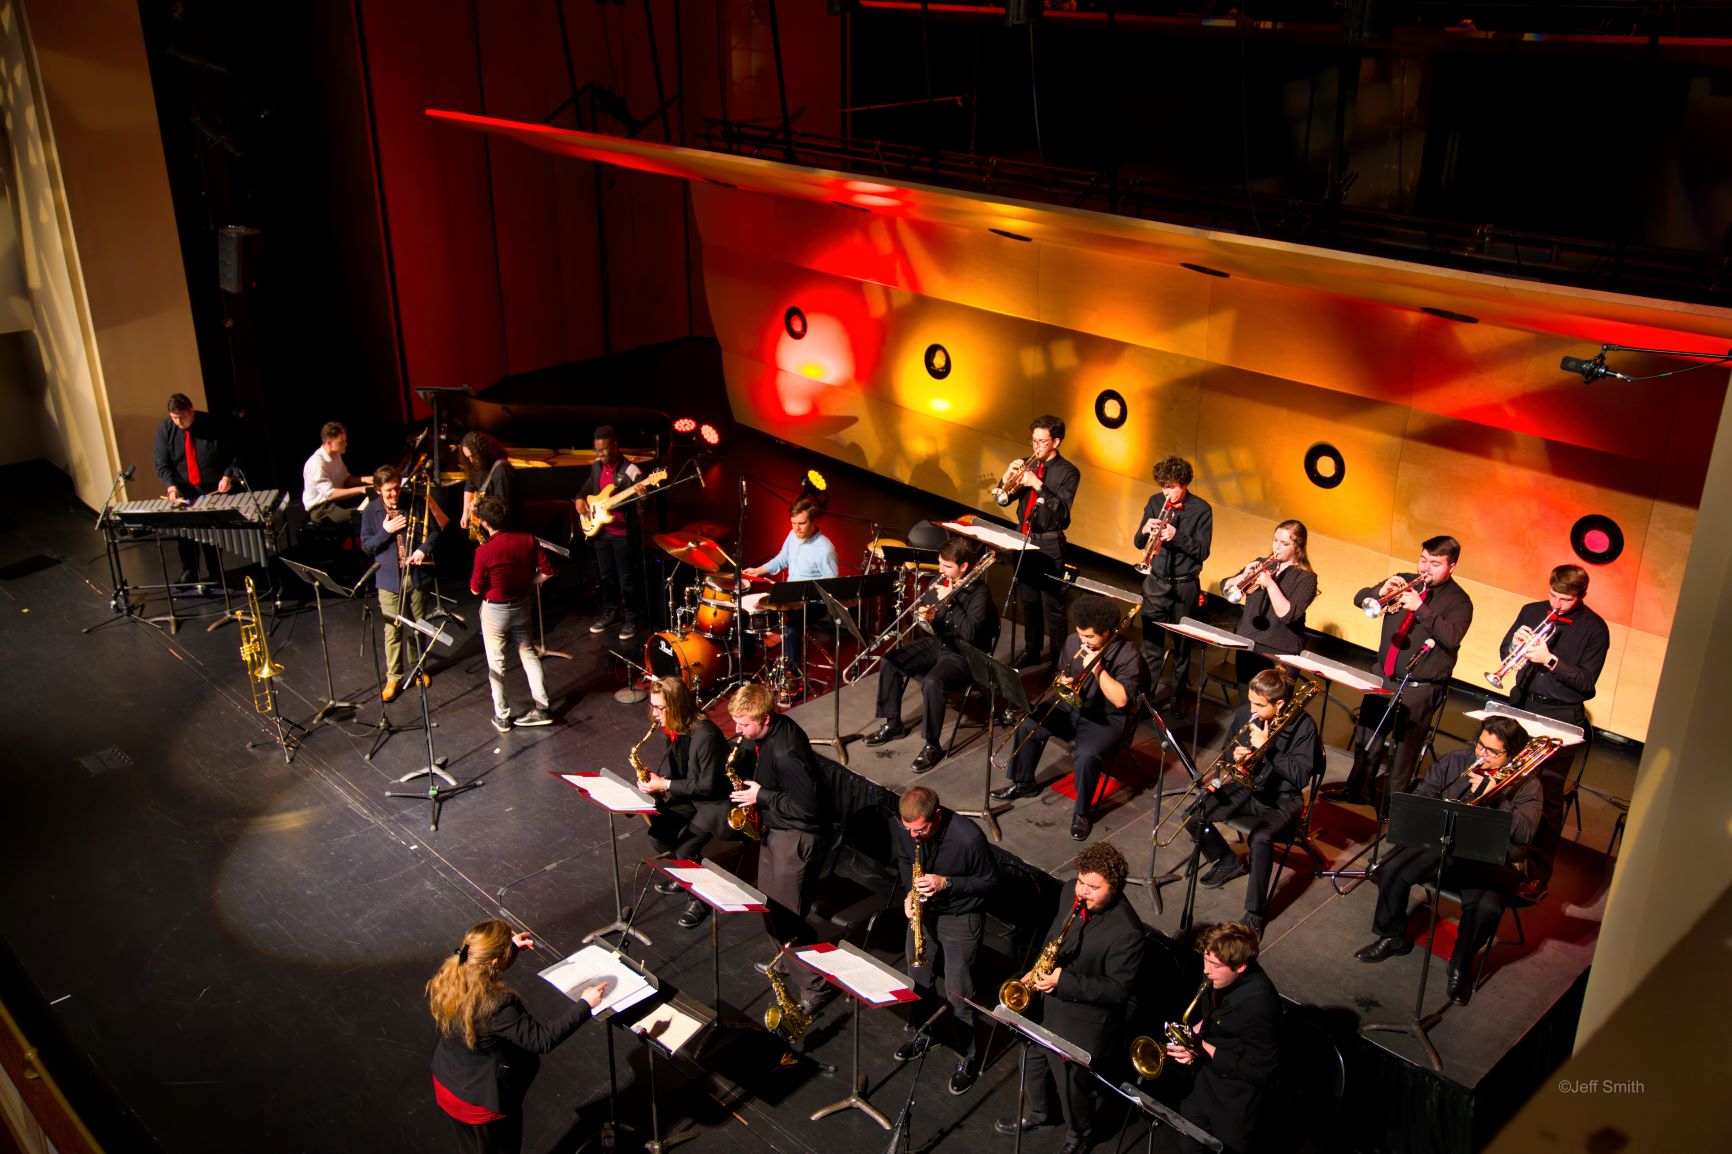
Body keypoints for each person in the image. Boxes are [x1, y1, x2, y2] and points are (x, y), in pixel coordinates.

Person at [1354, 715, 1541, 1005]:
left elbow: (1526, 833)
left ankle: (1460, 965)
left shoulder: (1528, 785)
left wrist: (1494, 796)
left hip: (1489, 859)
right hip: (1445, 843)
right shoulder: (1457, 761)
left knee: (1487, 909)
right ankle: (1393, 936)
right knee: (1391, 868)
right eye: (1481, 745)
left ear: (1511, 754)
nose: (1482, 755)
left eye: (1493, 752)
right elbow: (1423, 794)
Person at [995, 841, 1144, 1154]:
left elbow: (1118, 990)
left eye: (1093, 887)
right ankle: (1039, 1112)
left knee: (1069, 1082)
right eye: (1081, 882)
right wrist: (1033, 972)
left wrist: (1065, 981)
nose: (1083, 892)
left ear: (1114, 888)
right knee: (1034, 1062)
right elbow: (1054, 937)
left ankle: (1079, 1134)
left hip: (1084, 1018)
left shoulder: (1127, 931)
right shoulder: (1069, 892)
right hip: (1047, 998)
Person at [427, 919, 607, 1154]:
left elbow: (486, 960)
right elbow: (542, 1041)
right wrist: (586, 1004)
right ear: (493, 961)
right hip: (479, 1100)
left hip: (447, 1081)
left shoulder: (450, 973)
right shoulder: (497, 1004)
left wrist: (508, 947)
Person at [1497, 564, 1609, 902]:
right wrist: (1513, 648)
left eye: (1564, 599)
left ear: (1580, 597)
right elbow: (1505, 649)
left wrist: (1550, 660)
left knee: (1545, 797)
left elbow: (1587, 685)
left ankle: (1538, 876)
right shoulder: (1532, 610)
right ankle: (1495, 854)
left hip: (1559, 715)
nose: (1556, 605)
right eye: (1553, 595)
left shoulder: (1595, 629)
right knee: (1504, 783)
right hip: (1522, 704)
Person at [993, 594, 1144, 841]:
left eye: (1090, 637)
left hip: (1106, 717)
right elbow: (1062, 673)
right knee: (1030, 723)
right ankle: (1024, 782)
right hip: (1072, 706)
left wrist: (1098, 669)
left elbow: (1121, 700)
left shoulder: (1128, 655)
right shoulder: (1074, 641)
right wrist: (1064, 681)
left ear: (1107, 631)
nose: (1083, 641)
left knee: (1085, 755)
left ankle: (1082, 812)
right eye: (1081, 635)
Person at [1184, 668, 1320, 938]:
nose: (1253, 710)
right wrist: (1236, 756)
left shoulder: (1304, 726)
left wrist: (1268, 748)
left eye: (1260, 705)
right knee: (1195, 814)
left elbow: (1300, 776)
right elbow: (1226, 754)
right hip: (1247, 786)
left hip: (1282, 798)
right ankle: (1226, 860)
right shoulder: (1247, 712)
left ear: (1279, 703)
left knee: (1260, 839)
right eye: (1251, 701)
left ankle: (1254, 913)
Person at [1338, 535, 1474, 804]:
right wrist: (1381, 592)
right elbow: (1360, 598)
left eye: (1434, 563)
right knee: (1367, 738)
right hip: (1383, 677)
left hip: (1419, 689)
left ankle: (1391, 807)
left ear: (1451, 567)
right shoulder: (1402, 579)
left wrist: (1421, 608)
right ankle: (1357, 792)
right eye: (1423, 559)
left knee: (1404, 752)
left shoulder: (1460, 602)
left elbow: (1452, 637)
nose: (1425, 568)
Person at [726, 683, 832, 1015]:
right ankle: (786, 962)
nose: (737, 731)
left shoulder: (786, 753)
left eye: (743, 724)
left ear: (767, 719)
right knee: (770, 907)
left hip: (796, 837)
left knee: (787, 918)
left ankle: (816, 987)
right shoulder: (769, 738)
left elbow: (809, 808)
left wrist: (762, 797)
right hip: (778, 831)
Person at [890, 785, 996, 1096]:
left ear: (936, 815)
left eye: (920, 829)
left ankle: (967, 1056)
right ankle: (926, 1032)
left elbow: (990, 883)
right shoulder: (907, 830)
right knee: (918, 979)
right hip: (924, 911)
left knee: (957, 991)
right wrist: (909, 893)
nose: (914, 836)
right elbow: (903, 861)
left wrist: (947, 882)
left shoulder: (969, 838)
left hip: (960, 916)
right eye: (909, 829)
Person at [865, 537, 998, 772]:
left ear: (963, 567)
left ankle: (932, 744)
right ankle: (893, 723)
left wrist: (949, 602)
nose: (940, 570)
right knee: (891, 661)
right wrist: (925, 612)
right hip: (939, 641)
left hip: (964, 653)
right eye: (940, 564)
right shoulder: (940, 580)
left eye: (947, 566)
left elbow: (968, 633)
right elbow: (927, 610)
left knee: (932, 682)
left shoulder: (980, 593)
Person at [1167, 921, 1283, 1154]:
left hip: (1233, 1102)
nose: (1206, 970)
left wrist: (1204, 1049)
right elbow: (1213, 1017)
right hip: (1200, 1086)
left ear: (1240, 967)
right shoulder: (1216, 977)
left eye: (1215, 965)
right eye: (1205, 960)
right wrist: (1192, 1035)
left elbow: (1263, 1071)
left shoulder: (1260, 1005)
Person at [639, 676, 734, 929]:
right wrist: (656, 782)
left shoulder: (706, 735)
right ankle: (685, 874)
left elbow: (708, 785)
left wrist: (666, 785)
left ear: (677, 706)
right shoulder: (676, 730)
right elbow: (681, 773)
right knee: (658, 833)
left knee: (684, 849)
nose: (654, 714)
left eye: (660, 708)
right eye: (653, 706)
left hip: (713, 802)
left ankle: (700, 898)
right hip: (690, 795)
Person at [470, 494, 553, 731]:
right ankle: (543, 707)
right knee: (529, 655)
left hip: (495, 611)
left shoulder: (484, 551)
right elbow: (547, 571)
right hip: (521, 605)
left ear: (485, 523)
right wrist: (528, 582)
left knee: (496, 663)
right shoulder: (527, 539)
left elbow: (475, 589)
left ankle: (502, 715)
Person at [1135, 455, 1212, 710]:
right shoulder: (1155, 501)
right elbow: (1138, 542)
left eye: (1173, 487)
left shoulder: (1201, 509)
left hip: (1185, 586)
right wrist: (1145, 530)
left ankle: (1178, 698)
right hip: (1156, 582)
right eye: (1164, 486)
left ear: (1185, 483)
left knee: (1182, 648)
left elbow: (1202, 551)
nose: (1167, 492)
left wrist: (1176, 536)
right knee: (1151, 646)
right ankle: (1145, 698)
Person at [1005, 415, 1080, 669]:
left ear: (1056, 441)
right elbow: (1002, 500)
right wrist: (1007, 478)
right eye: (1034, 440)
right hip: (1022, 538)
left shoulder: (1068, 472)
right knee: (1028, 600)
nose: (1036, 447)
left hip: (1049, 544)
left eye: (1042, 441)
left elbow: (1062, 514)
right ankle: (1032, 649)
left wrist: (1037, 485)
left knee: (1053, 606)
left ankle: (1058, 661)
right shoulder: (1028, 464)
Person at [361, 464, 441, 702]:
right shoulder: (371, 512)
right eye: (388, 491)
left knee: (418, 625)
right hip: (388, 579)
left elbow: (435, 531)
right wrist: (385, 531)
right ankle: (394, 677)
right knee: (392, 629)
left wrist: (423, 549)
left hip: (415, 575)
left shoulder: (414, 500)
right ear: (378, 491)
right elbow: (367, 547)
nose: (394, 495)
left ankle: (418, 669)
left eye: (396, 489)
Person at [743, 496, 840, 678]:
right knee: (749, 610)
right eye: (793, 523)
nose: (796, 528)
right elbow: (782, 559)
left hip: (813, 603)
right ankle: (748, 659)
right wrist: (759, 570)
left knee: (792, 627)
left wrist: (807, 599)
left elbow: (830, 587)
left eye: (801, 523)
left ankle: (792, 674)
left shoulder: (825, 550)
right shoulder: (792, 535)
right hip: (790, 596)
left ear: (813, 521)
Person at [151, 392, 239, 585]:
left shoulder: (213, 425)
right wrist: (170, 486)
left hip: (212, 487)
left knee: (212, 533)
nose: (179, 421)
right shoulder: (166, 430)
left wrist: (227, 476)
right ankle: (190, 572)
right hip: (183, 489)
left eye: (182, 416)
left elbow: (233, 453)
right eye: (174, 418)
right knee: (186, 535)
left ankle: (216, 572)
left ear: (191, 411)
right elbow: (161, 462)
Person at [573, 425, 650, 642]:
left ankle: (633, 618)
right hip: (601, 531)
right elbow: (587, 488)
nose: (599, 455)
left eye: (603, 450)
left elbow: (645, 504)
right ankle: (611, 612)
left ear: (615, 446)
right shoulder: (597, 467)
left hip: (623, 535)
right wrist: (579, 499)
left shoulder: (631, 471)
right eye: (597, 450)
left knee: (627, 579)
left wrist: (644, 495)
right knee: (606, 577)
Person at [1225, 519, 1318, 693]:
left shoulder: (1306, 578)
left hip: (1280, 652)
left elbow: (1289, 615)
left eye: (1284, 543)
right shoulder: (1260, 563)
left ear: (1298, 547)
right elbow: (1225, 587)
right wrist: (1243, 576)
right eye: (1275, 540)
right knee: (1248, 702)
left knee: (1274, 707)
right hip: (1248, 643)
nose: (1277, 547)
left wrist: (1270, 584)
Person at [301, 421, 371, 525]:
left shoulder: (336, 455)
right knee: (367, 512)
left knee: (374, 503)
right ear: (329, 443)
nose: (346, 444)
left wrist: (365, 479)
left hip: (337, 501)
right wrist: (361, 489)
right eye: (342, 442)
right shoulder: (316, 464)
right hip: (322, 509)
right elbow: (330, 494)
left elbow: (346, 480)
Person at [460, 432, 516, 534]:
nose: (471, 460)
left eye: (473, 456)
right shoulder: (478, 464)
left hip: (504, 529)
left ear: (483, 452)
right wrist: (465, 513)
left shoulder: (502, 471)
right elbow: (469, 485)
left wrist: (479, 511)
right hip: (488, 521)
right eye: (467, 457)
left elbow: (501, 507)